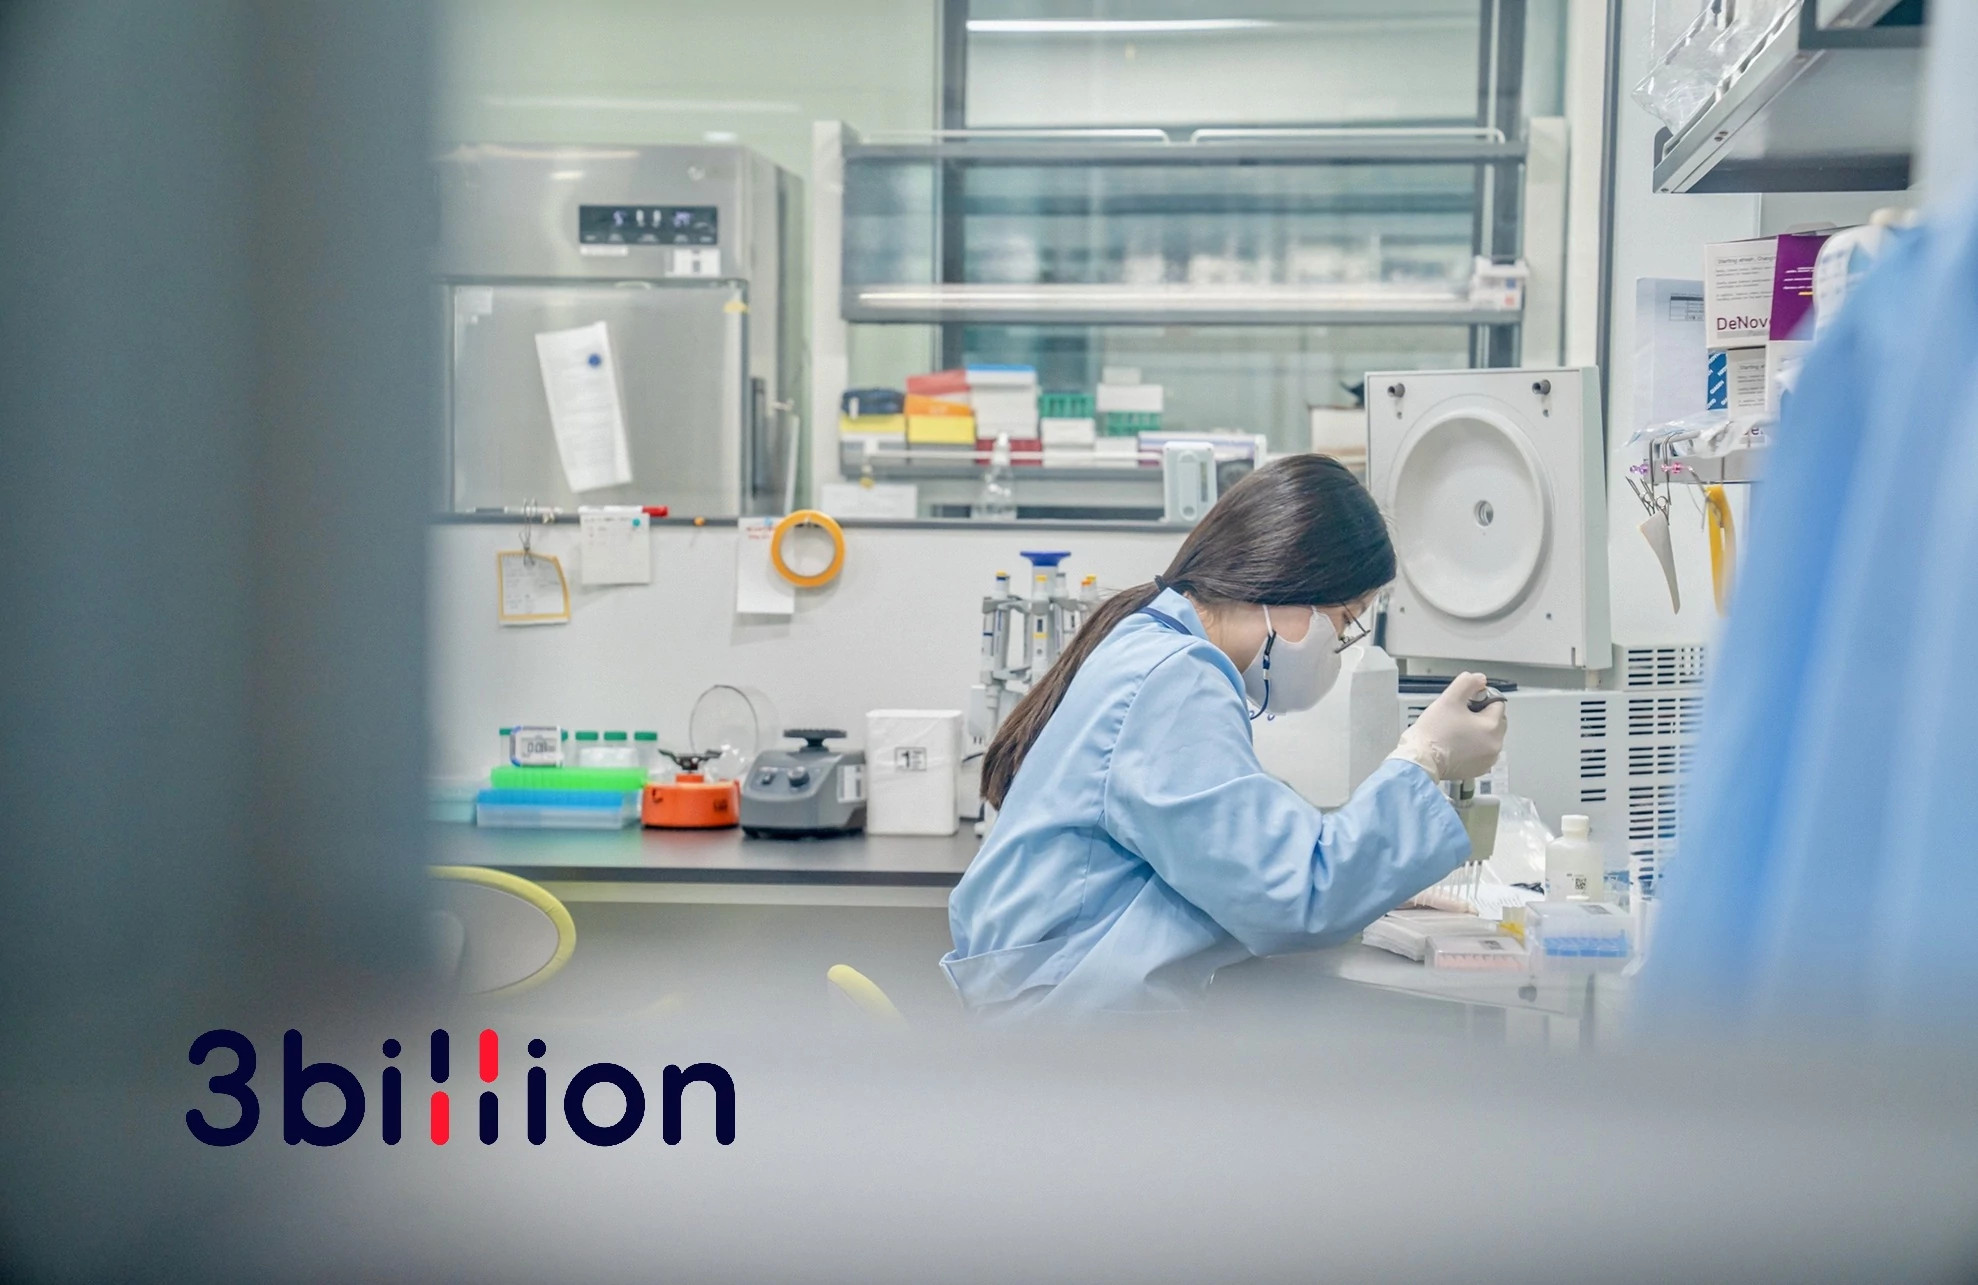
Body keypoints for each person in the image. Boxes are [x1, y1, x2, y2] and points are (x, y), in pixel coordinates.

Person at [942, 454, 1508, 1018]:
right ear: (1291, 582)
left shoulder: (1150, 640)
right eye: (1346, 617)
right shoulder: (1176, 679)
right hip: (1066, 1030)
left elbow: (1236, 850)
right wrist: (1424, 757)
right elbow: (1293, 897)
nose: (1341, 642)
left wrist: (1377, 874)